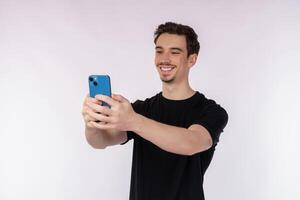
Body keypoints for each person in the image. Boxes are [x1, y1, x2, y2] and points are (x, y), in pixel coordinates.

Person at [81, 22, 228, 200]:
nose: (164, 59)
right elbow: (100, 142)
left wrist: (133, 121)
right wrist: (92, 123)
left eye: (174, 52)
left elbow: (191, 143)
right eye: (159, 51)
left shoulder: (211, 112)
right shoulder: (141, 109)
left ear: (192, 59)